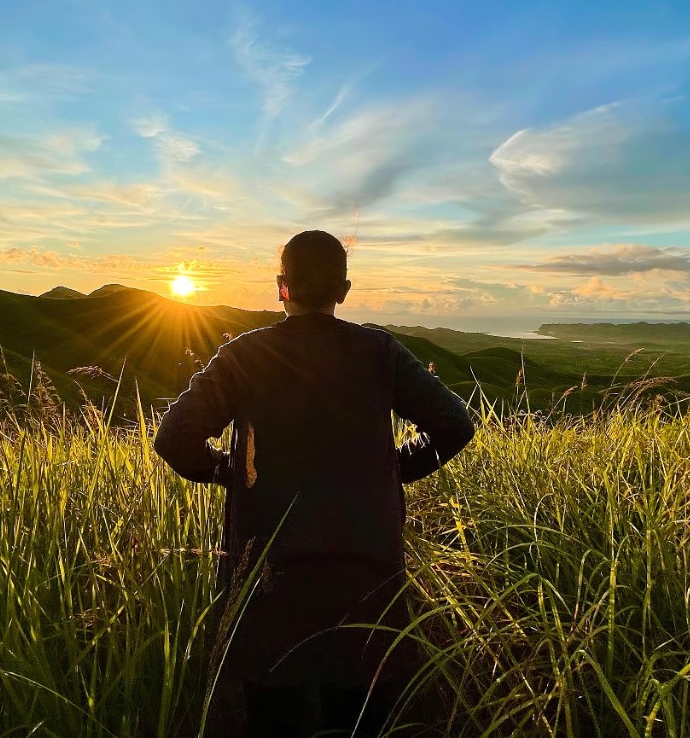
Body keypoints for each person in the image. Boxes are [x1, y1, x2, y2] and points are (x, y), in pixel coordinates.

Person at [154, 230, 476, 737]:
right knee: (360, 720)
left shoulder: (244, 355)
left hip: (268, 586)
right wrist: (391, 469)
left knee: (272, 720)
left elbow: (174, 437)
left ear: (282, 287)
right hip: (366, 584)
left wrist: (228, 473)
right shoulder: (379, 352)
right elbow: (455, 426)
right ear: (343, 290)